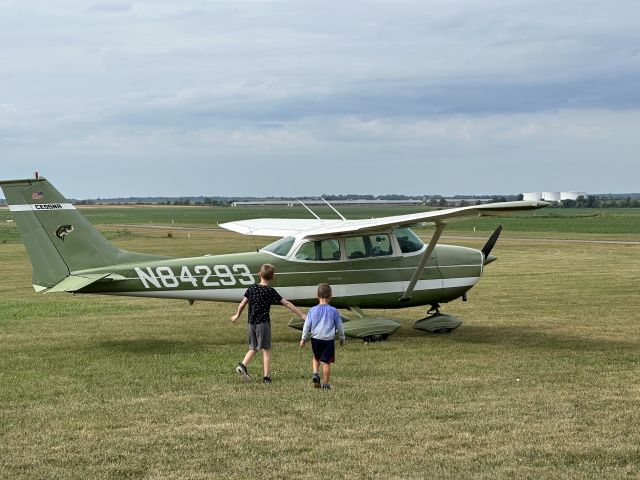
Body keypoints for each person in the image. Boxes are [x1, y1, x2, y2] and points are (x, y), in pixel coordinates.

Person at [230, 263, 306, 384]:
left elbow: (243, 303)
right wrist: (301, 315)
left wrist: (237, 315)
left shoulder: (252, 288)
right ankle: (266, 377)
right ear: (272, 277)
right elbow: (286, 303)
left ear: (259, 274)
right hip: (263, 324)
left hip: (251, 324)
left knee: (253, 347)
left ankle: (243, 365)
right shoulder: (270, 291)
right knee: (266, 349)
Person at [299, 283, 345, 390]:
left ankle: (315, 373)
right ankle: (326, 384)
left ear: (317, 296)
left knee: (316, 357)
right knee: (326, 362)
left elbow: (307, 325)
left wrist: (303, 339)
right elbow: (340, 326)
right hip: (328, 340)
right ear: (330, 297)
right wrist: (342, 338)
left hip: (315, 339)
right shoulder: (333, 311)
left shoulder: (312, 310)